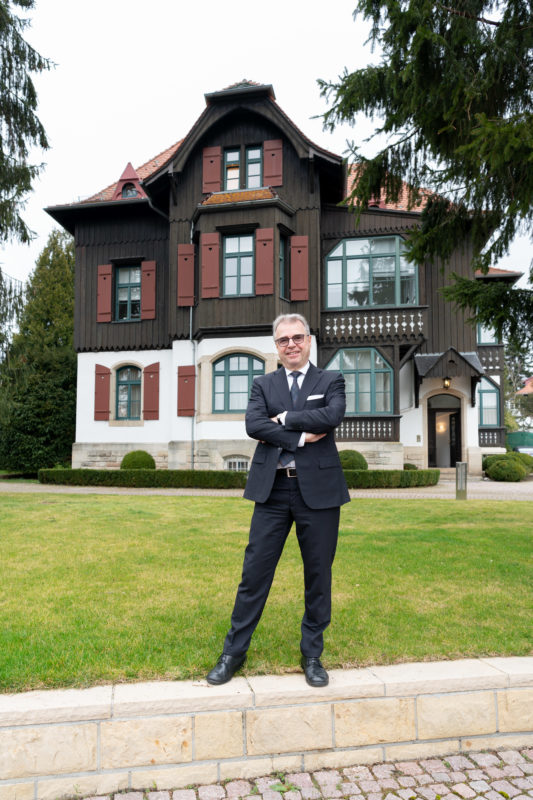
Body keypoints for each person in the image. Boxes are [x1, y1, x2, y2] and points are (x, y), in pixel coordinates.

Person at [206, 313, 350, 688]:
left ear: (308, 340)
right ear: (276, 345)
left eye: (297, 337)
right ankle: (233, 653)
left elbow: (332, 415)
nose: (291, 344)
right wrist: (301, 435)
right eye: (283, 339)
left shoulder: (331, 380)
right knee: (253, 575)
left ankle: (312, 656)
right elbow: (254, 425)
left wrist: (285, 418)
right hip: (272, 491)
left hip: (319, 493)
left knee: (318, 575)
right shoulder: (263, 384)